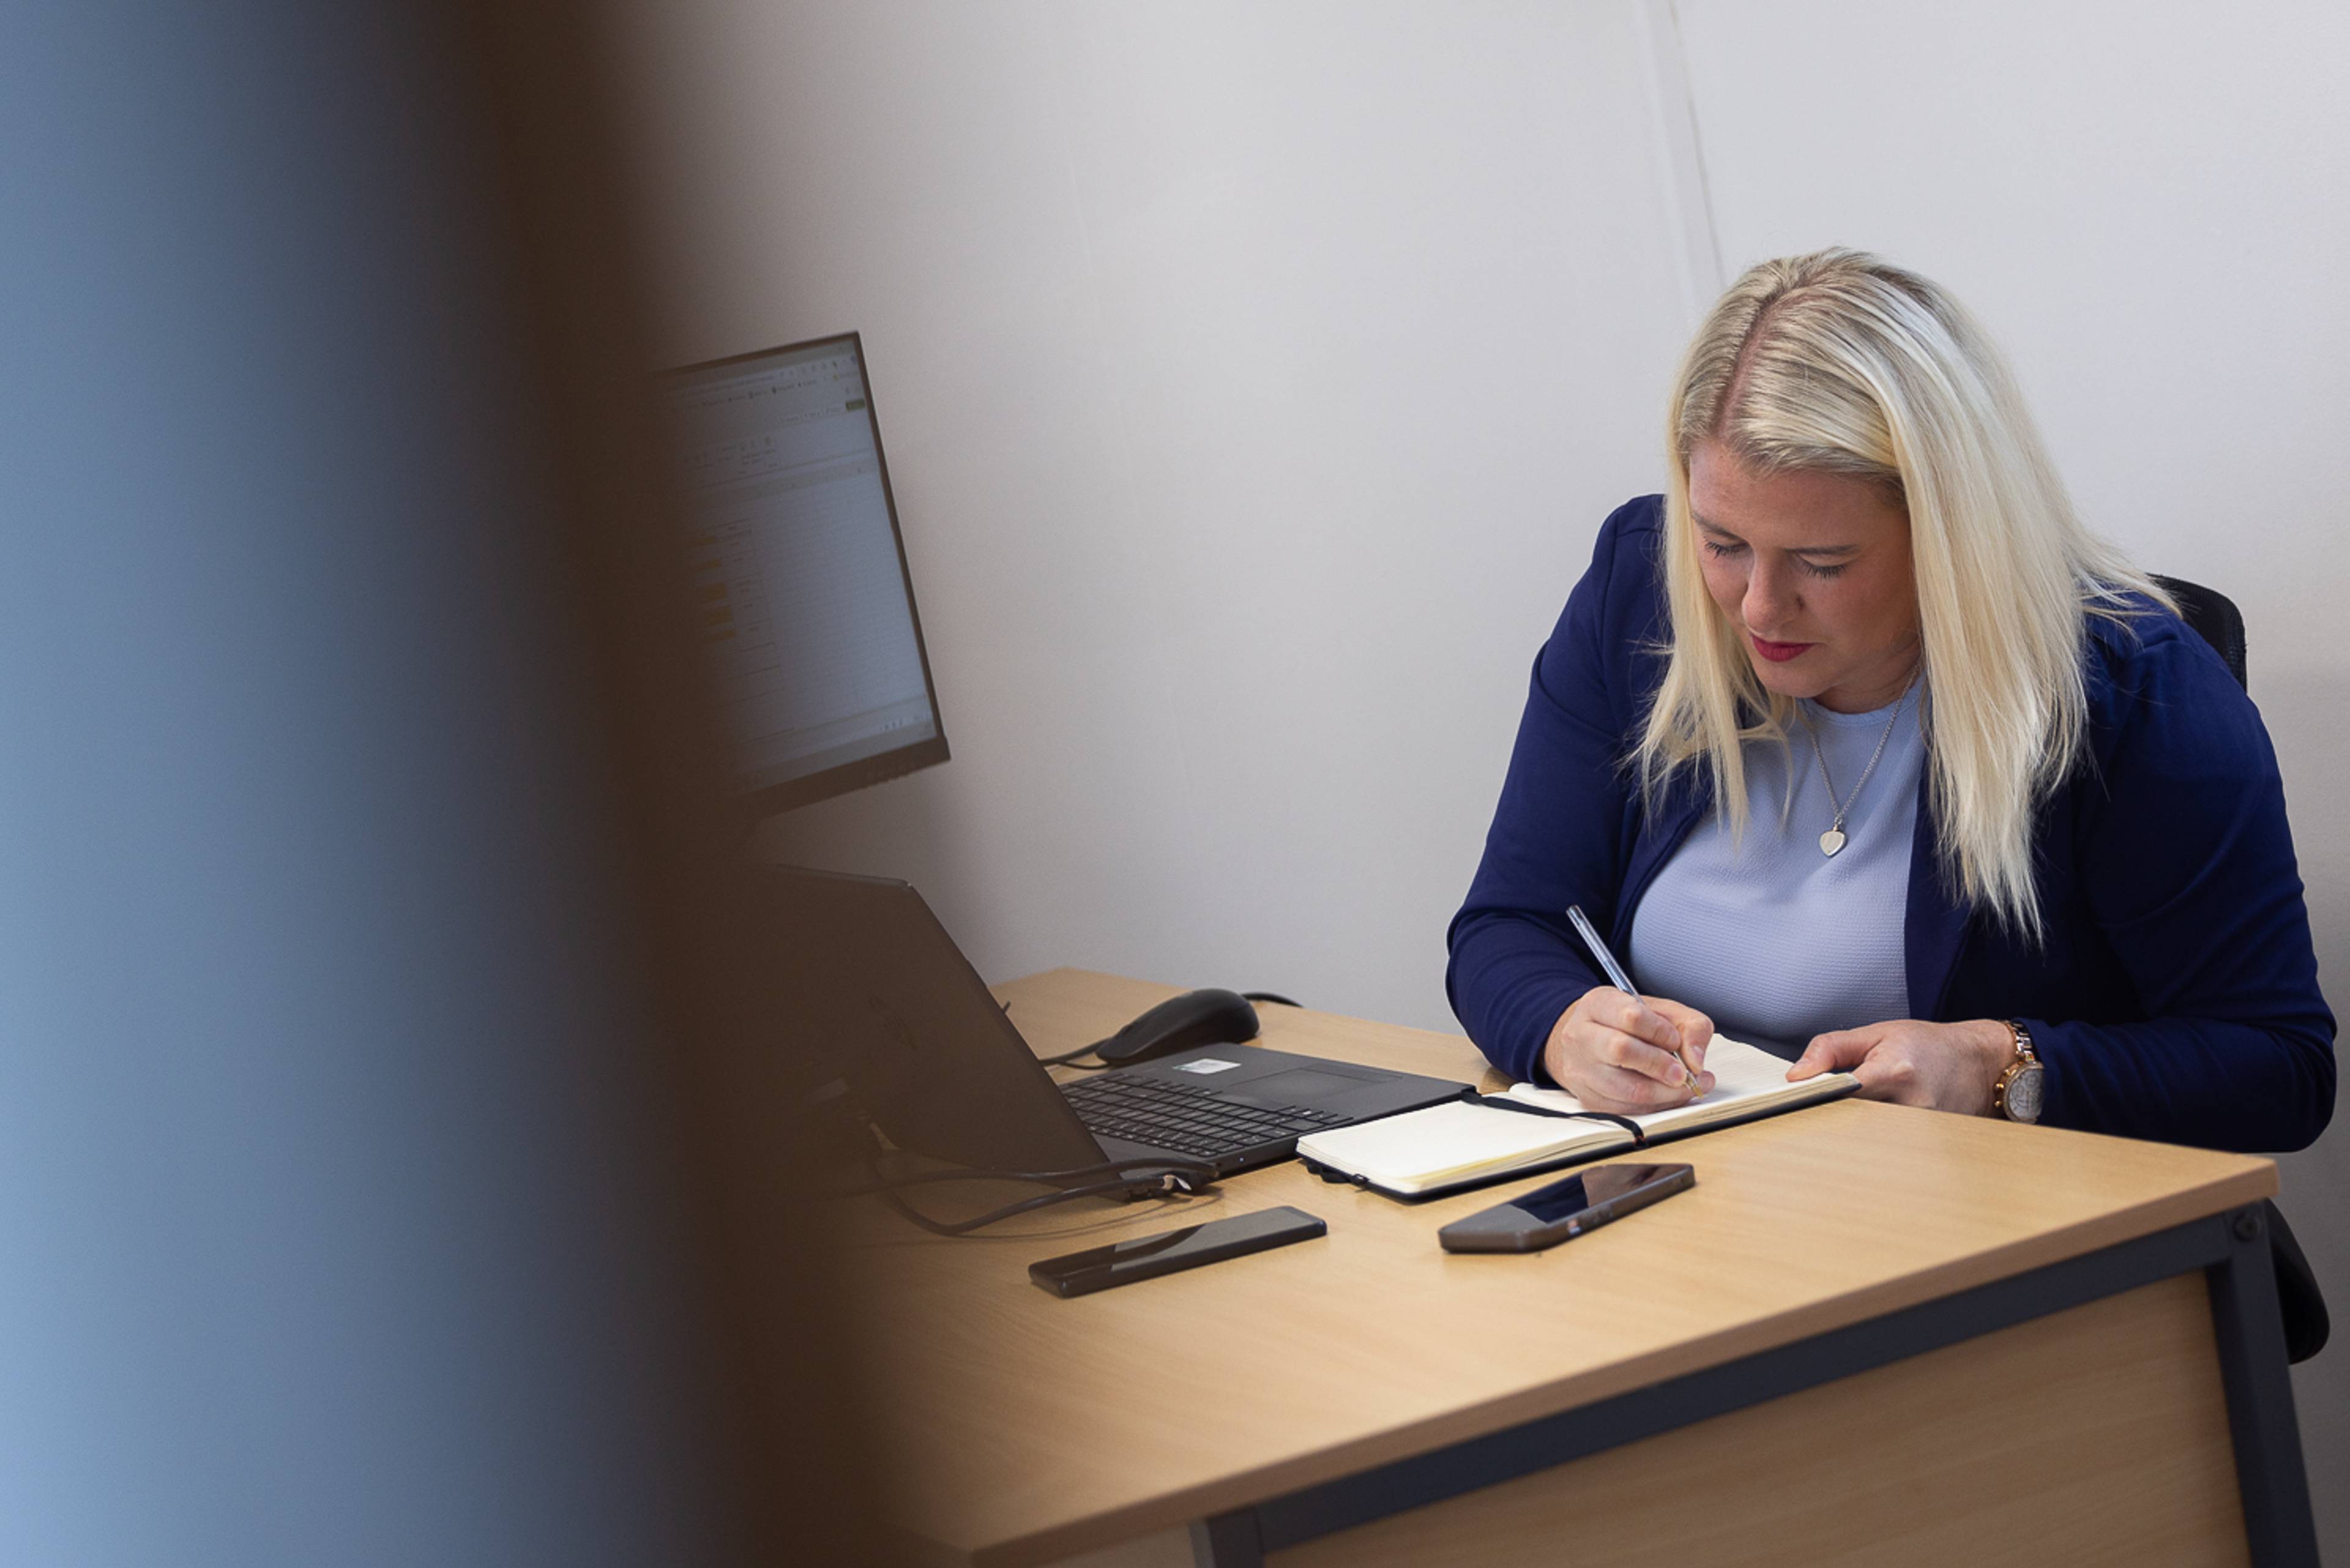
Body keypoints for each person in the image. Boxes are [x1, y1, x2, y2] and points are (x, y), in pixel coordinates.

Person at [1447, 249, 2334, 1152]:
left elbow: (2278, 1069)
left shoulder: (2134, 691)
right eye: (1722, 542)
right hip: (1686, 1201)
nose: (1757, 606)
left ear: (1953, 532)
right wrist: (1563, 1024)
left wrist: (2004, 1065)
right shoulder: (1639, 591)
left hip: (1989, 1238)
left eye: (1822, 565)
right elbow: (1508, 925)